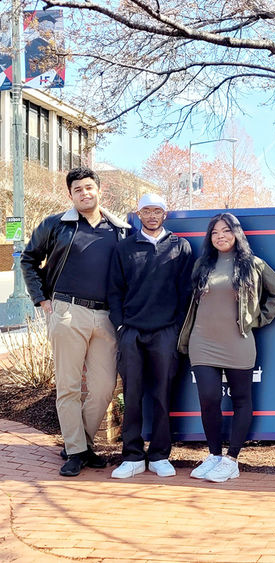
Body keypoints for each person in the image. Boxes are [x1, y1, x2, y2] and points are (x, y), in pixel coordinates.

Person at [21, 167, 131, 477]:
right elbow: (29, 259)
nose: (84, 193)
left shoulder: (119, 229)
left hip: (107, 316)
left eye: (88, 187)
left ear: (100, 190)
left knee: (103, 387)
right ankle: (76, 451)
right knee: (68, 387)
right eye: (77, 189)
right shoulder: (56, 224)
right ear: (70, 195)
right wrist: (41, 298)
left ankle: (78, 444)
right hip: (68, 310)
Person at [178, 213, 275, 482]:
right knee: (209, 398)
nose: (220, 236)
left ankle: (232, 459)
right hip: (202, 342)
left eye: (226, 231)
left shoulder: (253, 265)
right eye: (215, 232)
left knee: (241, 399)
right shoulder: (202, 265)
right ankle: (214, 455)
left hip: (238, 341)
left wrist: (258, 318)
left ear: (236, 233)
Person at [107, 194, 193, 479]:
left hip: (166, 331)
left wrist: (178, 327)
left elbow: (186, 292)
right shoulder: (124, 248)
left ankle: (158, 455)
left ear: (165, 215)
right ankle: (132, 456)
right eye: (147, 211)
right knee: (132, 395)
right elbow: (115, 291)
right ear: (138, 214)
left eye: (158, 211)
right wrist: (120, 326)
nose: (152, 215)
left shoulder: (180, 247)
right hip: (132, 331)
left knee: (162, 395)